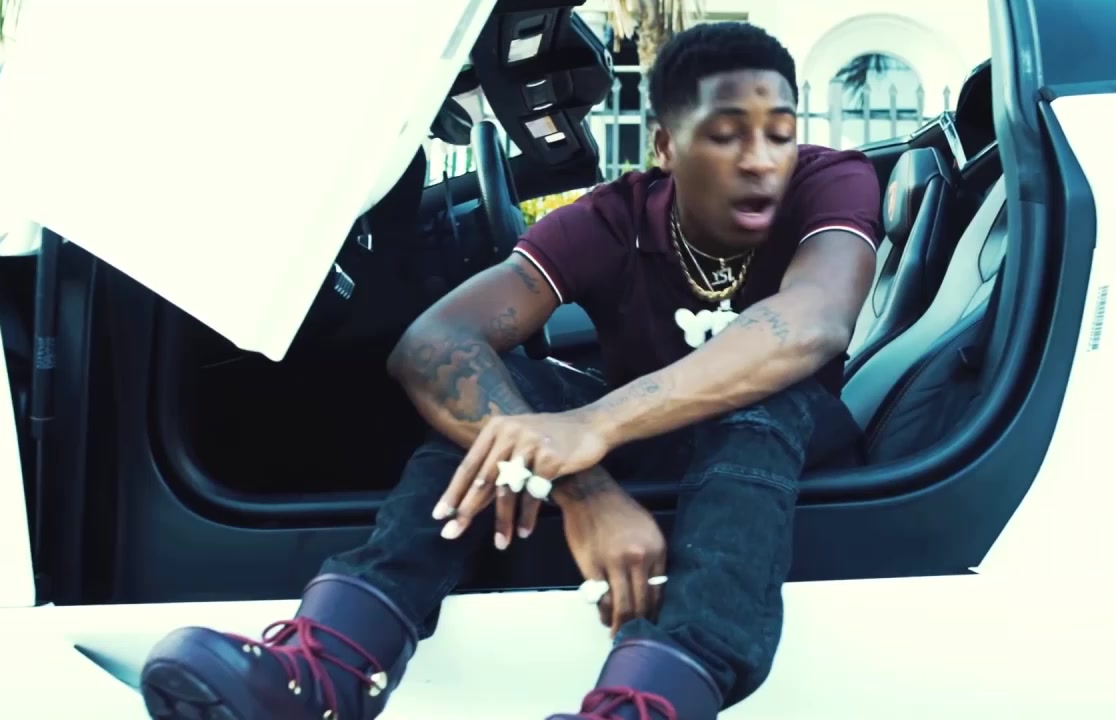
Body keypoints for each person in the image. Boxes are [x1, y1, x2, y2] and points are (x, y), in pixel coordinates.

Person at [140, 21, 881, 720]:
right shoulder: (614, 217)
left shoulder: (832, 182)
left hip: (790, 455)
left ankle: (653, 701)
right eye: (725, 135)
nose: (760, 160)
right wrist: (582, 487)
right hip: (653, 452)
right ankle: (331, 667)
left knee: (765, 394)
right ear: (665, 145)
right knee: (509, 403)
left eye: (779, 134)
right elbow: (431, 342)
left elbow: (813, 320)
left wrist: (591, 426)